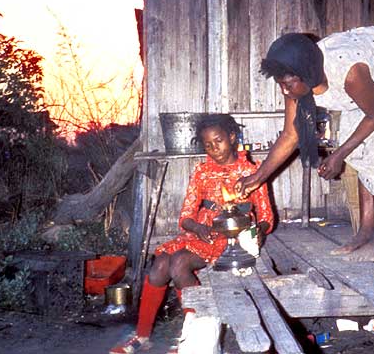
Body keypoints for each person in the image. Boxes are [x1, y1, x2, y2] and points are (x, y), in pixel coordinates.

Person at [235, 26, 374, 262]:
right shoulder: (295, 74)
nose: (284, 90)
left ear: (306, 75)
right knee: (360, 147)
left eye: (288, 84)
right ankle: (364, 232)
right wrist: (259, 176)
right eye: (281, 84)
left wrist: (338, 155)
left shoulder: (350, 74)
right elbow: (291, 135)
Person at [110, 114, 274, 354]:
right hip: (202, 233)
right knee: (159, 266)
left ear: (232, 136)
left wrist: (258, 231)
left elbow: (267, 217)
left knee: (179, 264)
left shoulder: (252, 171)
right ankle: (143, 336)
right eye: (207, 144)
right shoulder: (201, 172)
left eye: (218, 141)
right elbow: (185, 217)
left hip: (233, 239)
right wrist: (198, 228)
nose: (213, 148)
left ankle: (190, 337)